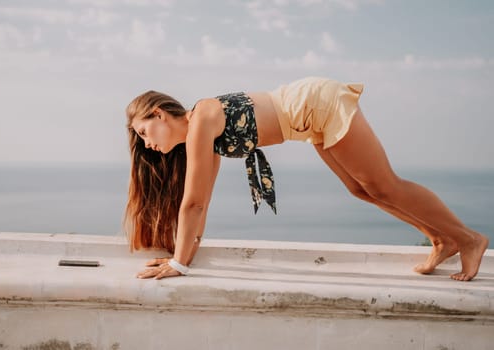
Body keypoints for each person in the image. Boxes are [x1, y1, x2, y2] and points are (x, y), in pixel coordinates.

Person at [123, 77, 489, 282]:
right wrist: (184, 255)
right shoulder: (204, 133)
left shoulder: (202, 117)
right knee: (361, 189)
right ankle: (442, 239)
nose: (147, 143)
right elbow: (202, 200)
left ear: (159, 114)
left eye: (144, 131)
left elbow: (194, 201)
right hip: (307, 121)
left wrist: (180, 264)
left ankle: (468, 239)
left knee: (383, 184)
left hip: (317, 105)